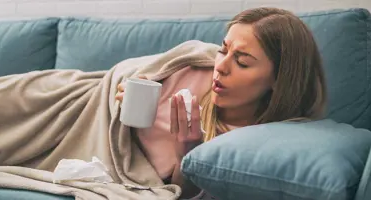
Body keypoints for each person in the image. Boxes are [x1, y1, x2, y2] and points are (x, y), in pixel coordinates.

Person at [115, 7, 327, 200]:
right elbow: (134, 76)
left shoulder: (258, 149)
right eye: (223, 50)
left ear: (280, 80)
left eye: (242, 62)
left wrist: (190, 154)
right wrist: (132, 88)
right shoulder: (196, 69)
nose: (221, 67)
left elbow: (184, 194)